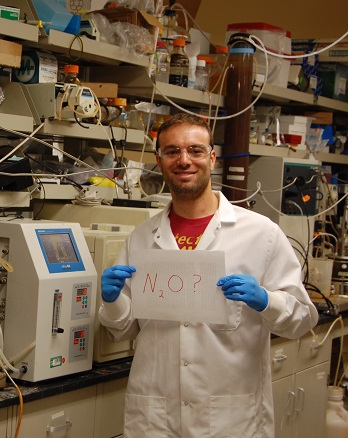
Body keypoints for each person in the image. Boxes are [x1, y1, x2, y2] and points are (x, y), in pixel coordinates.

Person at [99, 113, 318, 437]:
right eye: (172, 151)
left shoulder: (260, 234)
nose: (184, 160)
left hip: (230, 419)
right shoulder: (142, 237)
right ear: (159, 161)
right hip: (156, 417)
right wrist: (113, 301)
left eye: (195, 150)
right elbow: (125, 330)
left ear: (212, 158)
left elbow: (302, 319)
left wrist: (266, 300)